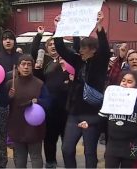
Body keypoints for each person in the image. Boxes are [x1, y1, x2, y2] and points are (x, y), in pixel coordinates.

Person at [54, 11, 110, 168]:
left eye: (84, 48)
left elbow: (105, 48)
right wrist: (58, 29)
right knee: (66, 149)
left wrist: (99, 26)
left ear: (93, 49)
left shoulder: (100, 61)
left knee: (89, 152)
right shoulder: (77, 60)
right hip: (74, 112)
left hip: (92, 114)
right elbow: (61, 49)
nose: (80, 50)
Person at [31, 26, 72, 168]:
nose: (53, 46)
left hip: (67, 109)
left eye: (55, 44)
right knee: (49, 140)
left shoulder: (68, 60)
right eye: (50, 44)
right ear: (47, 48)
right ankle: (50, 163)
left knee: (68, 143)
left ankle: (69, 164)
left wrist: (58, 30)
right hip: (50, 110)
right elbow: (33, 52)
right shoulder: (44, 63)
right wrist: (39, 35)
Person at [7, 55, 50, 168]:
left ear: (32, 67)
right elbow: (2, 103)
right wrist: (9, 97)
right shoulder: (11, 84)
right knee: (20, 157)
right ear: (18, 67)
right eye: (23, 64)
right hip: (17, 126)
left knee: (35, 156)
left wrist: (38, 101)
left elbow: (48, 103)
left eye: (29, 64)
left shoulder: (39, 84)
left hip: (35, 127)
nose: (26, 67)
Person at [102, 71, 137, 168]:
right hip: (113, 145)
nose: (124, 83)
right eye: (123, 80)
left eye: (129, 81)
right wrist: (88, 124)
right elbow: (101, 119)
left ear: (136, 86)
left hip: (132, 146)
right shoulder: (110, 102)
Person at [0, 29, 22, 168]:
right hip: (1, 102)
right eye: (5, 38)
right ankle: (1, 163)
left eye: (10, 38)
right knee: (1, 136)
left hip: (19, 103)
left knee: (17, 134)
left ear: (14, 41)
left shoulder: (20, 57)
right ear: (2, 41)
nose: (8, 41)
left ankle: (20, 163)